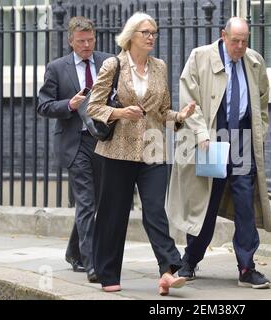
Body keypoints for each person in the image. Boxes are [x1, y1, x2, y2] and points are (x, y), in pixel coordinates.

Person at [87, 12, 195, 294]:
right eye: (146, 32)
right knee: (113, 213)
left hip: (152, 149)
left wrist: (180, 116)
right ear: (131, 35)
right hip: (117, 151)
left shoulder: (159, 66)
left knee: (156, 209)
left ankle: (168, 270)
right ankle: (107, 273)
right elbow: (93, 107)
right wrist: (120, 112)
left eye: (153, 32)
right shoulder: (114, 65)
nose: (151, 37)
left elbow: (161, 112)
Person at [167, 17, 271, 289]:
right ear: (223, 35)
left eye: (244, 41)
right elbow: (188, 98)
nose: (240, 47)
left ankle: (247, 267)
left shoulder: (254, 61)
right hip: (211, 141)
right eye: (235, 41)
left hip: (242, 141)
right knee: (207, 204)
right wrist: (201, 132)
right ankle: (190, 261)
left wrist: (259, 130)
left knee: (245, 205)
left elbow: (262, 100)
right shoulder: (200, 57)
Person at [38, 16, 113, 283]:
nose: (86, 45)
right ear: (71, 41)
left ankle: (74, 252)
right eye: (81, 41)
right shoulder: (57, 68)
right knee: (86, 202)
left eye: (90, 40)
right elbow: (44, 106)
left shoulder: (108, 62)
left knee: (99, 203)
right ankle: (92, 263)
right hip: (75, 142)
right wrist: (69, 104)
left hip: (103, 140)